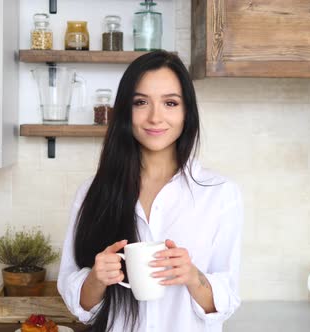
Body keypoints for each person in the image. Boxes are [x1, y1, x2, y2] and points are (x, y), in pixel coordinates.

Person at [57, 50, 243, 332]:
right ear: (124, 111)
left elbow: (223, 303)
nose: (155, 117)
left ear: (186, 112)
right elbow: (80, 305)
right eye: (141, 102)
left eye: (170, 102)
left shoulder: (220, 194)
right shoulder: (92, 193)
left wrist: (193, 276)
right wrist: (97, 278)